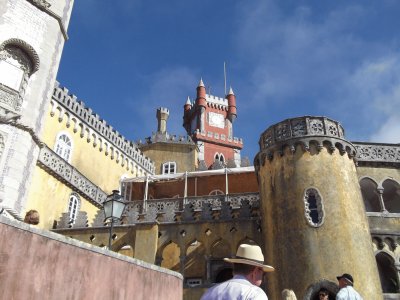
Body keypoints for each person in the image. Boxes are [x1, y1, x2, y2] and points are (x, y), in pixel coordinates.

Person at [201, 244, 274, 300]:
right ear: (255, 272)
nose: (263, 277)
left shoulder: (209, 293)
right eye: (263, 273)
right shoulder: (254, 293)